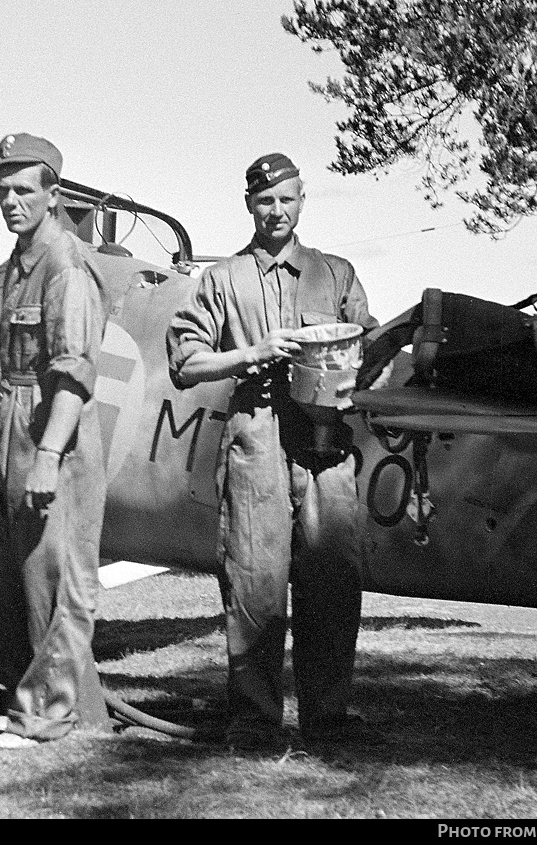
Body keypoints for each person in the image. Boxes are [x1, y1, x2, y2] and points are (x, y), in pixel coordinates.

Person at [165, 152, 379, 750]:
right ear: (249, 206)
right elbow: (185, 363)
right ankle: (255, 723)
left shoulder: (335, 274)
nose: (276, 211)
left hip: (327, 450)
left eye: (286, 199)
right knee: (254, 585)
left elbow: (370, 350)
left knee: (333, 587)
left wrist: (352, 368)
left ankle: (329, 720)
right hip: (256, 442)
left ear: (303, 202)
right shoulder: (222, 279)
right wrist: (253, 352)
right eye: (265, 201)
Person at [0, 132, 110, 748]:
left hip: (52, 426)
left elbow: (75, 375)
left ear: (53, 194)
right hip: (14, 418)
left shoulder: (65, 267)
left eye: (23, 190)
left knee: (56, 577)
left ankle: (48, 717)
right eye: (2, 189)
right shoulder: (20, 261)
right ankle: (22, 703)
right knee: (17, 574)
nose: (10, 201)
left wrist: (49, 457)